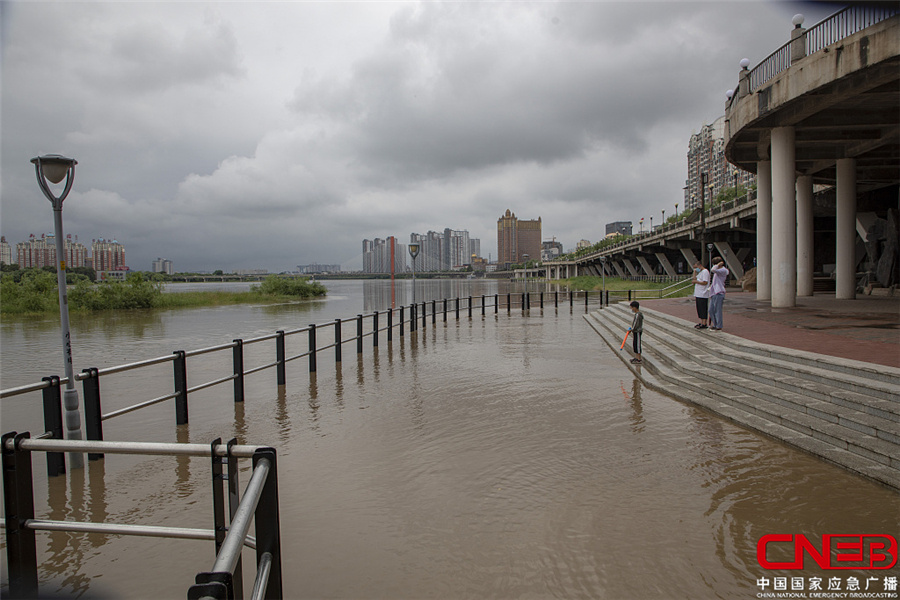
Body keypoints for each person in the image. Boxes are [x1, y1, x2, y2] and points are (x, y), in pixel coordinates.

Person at [708, 257, 729, 331]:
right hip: (713, 292)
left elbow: (713, 269)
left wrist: (719, 264)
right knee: (711, 310)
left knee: (717, 310)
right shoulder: (718, 271)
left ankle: (719, 325)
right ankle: (715, 323)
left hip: (719, 292)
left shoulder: (723, 270)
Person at [691, 260, 710, 329]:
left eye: (696, 267)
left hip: (703, 293)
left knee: (703, 308)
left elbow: (705, 282)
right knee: (699, 309)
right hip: (698, 293)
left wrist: (696, 282)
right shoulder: (700, 272)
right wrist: (694, 272)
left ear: (700, 265)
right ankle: (701, 321)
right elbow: (694, 279)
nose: (696, 269)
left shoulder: (705, 272)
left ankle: (704, 322)